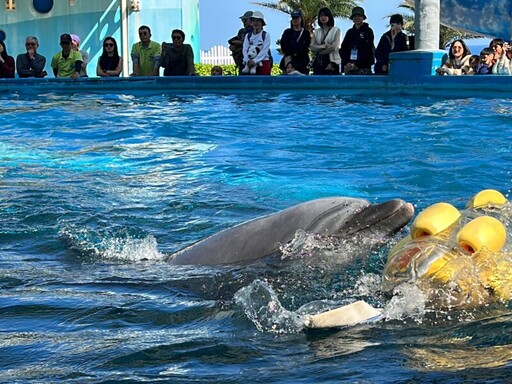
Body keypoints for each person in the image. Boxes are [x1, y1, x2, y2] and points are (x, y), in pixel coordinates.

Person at [340, 6, 375, 75]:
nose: (357, 18)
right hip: (349, 67)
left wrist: (357, 64)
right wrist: (347, 63)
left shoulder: (368, 31)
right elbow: (343, 49)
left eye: (359, 16)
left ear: (363, 18)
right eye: (355, 16)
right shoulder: (349, 32)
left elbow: (368, 50)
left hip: (363, 67)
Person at [310, 7, 341, 75]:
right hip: (319, 62)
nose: (323, 17)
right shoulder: (316, 31)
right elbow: (312, 48)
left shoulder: (336, 30)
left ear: (329, 17)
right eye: (321, 16)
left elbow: (334, 47)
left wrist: (319, 49)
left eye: (325, 15)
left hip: (332, 62)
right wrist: (324, 46)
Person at [278, 10, 310, 75]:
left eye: (297, 18)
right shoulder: (287, 32)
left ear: (301, 19)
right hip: (289, 61)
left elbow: (306, 47)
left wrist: (297, 51)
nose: (295, 20)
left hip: (302, 62)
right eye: (293, 18)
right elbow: (283, 45)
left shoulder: (306, 33)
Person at [242, 11, 272, 75]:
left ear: (261, 23)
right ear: (251, 23)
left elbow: (264, 50)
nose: (255, 23)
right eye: (254, 21)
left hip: (263, 63)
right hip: (249, 64)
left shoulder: (266, 35)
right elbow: (245, 49)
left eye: (258, 21)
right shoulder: (248, 35)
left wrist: (255, 61)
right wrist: (247, 60)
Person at [228, 11, 253, 75]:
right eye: (242, 20)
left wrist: (242, 44)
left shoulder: (257, 32)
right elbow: (233, 40)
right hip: (241, 62)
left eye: (245, 20)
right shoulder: (242, 32)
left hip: (253, 63)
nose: (243, 22)